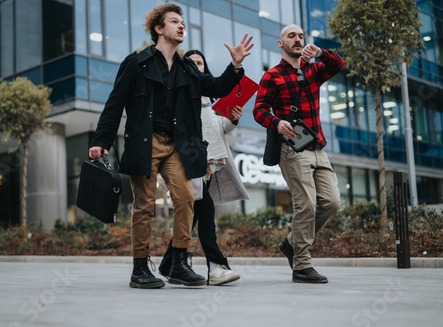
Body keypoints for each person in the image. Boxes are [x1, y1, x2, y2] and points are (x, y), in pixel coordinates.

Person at [88, 3, 253, 289]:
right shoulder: (136, 63)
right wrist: (100, 141)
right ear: (158, 28)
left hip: (177, 144)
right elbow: (114, 104)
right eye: (174, 21)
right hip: (146, 141)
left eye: (183, 23)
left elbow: (215, 87)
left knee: (187, 197)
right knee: (145, 205)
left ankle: (178, 262)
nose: (181, 26)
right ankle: (140, 268)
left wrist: (235, 65)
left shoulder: (188, 68)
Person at [253, 24, 343, 283]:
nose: (298, 39)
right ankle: (301, 265)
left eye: (301, 36)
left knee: (332, 202)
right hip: (292, 148)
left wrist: (322, 53)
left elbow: (338, 64)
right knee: (307, 204)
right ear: (280, 44)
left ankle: (292, 243)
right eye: (291, 36)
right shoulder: (272, 75)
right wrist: (276, 122)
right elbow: (259, 110)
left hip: (318, 147)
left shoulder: (314, 69)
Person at [158, 50, 250, 286]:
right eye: (192, 62)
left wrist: (234, 118)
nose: (197, 65)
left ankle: (170, 263)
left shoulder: (211, 98)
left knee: (194, 213)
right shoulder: (182, 94)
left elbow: (221, 126)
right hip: (187, 161)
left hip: (208, 162)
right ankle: (216, 266)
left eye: (200, 62)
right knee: (204, 210)